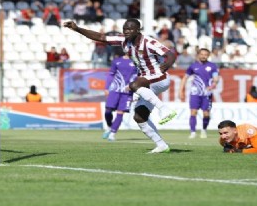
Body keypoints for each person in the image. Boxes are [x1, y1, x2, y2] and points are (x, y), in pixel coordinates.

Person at [63, 18, 177, 153]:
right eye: (125, 29)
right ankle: (161, 145)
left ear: (138, 30)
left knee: (134, 84)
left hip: (159, 77)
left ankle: (164, 110)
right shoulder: (124, 40)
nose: (127, 31)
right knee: (139, 117)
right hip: (146, 82)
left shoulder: (149, 42)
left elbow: (170, 54)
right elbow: (101, 37)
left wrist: (167, 64)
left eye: (130, 29)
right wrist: (77, 28)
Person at [179, 48, 219, 139]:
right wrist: (180, 91)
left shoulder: (212, 66)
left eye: (205, 54)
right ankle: (193, 132)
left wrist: (212, 86)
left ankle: (204, 130)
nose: (203, 56)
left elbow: (216, 79)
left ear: (208, 56)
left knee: (206, 114)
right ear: (198, 55)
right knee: (193, 112)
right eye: (202, 54)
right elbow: (185, 78)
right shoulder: (193, 66)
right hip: (195, 93)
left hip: (207, 93)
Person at [102, 52, 138, 141]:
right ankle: (109, 127)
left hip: (128, 91)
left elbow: (138, 77)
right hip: (115, 90)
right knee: (108, 111)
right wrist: (106, 88)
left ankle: (112, 134)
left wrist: (136, 92)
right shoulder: (116, 61)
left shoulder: (137, 62)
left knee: (120, 112)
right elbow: (111, 75)